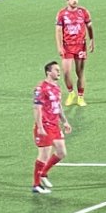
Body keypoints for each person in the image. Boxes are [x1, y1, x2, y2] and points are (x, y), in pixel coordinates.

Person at [32, 61, 71, 195]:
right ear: (48, 72)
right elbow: (37, 108)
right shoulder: (40, 88)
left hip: (55, 125)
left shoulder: (57, 87)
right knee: (43, 155)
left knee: (61, 152)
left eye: (59, 70)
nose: (59, 72)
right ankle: (36, 185)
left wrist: (65, 121)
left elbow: (58, 106)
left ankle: (43, 173)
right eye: (56, 70)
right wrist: (40, 127)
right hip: (45, 126)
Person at [54, 0, 94, 107]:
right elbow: (57, 31)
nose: (75, 1)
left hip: (80, 45)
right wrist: (59, 46)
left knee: (80, 72)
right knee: (66, 71)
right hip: (67, 46)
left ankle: (81, 97)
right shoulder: (62, 14)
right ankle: (71, 93)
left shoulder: (83, 12)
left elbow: (89, 27)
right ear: (67, 1)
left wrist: (92, 40)